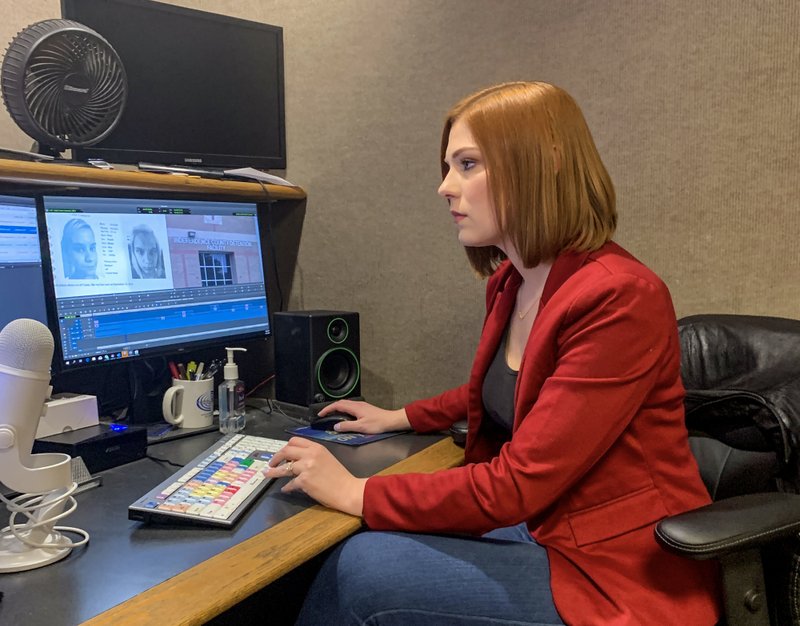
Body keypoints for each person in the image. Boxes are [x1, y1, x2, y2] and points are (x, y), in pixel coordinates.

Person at [264, 81, 721, 625]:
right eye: (448, 166)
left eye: (467, 164)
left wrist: (358, 490)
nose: (444, 188)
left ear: (544, 163)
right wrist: (400, 416)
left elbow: (520, 482)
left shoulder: (620, 296)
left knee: (363, 567)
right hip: (545, 525)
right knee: (360, 544)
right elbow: (511, 387)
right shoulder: (511, 283)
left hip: (616, 568)